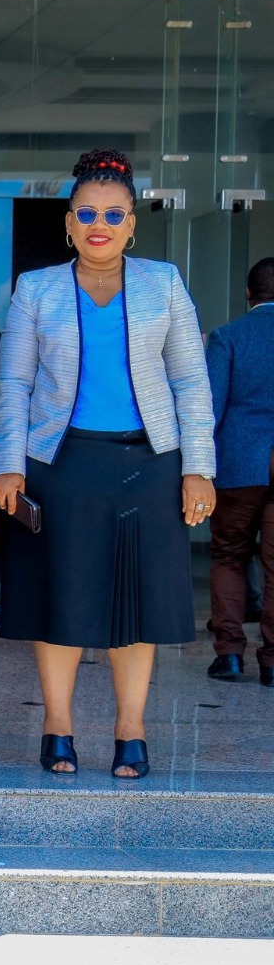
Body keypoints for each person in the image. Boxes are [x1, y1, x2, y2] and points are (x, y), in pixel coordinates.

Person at [0, 149, 215, 780]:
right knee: (61, 596)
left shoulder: (164, 283)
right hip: (59, 464)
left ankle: (130, 729)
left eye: (113, 214)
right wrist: (7, 464)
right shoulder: (35, 289)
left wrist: (200, 467)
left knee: (136, 603)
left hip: (149, 464)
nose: (99, 224)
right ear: (67, 222)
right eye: (86, 212)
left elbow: (191, 381)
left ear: (132, 224)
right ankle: (57, 725)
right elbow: (14, 384)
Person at [204, 257, 274, 687]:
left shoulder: (227, 337)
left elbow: (208, 408)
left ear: (248, 293)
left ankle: (229, 654)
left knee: (229, 555)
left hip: (238, 465)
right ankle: (273, 662)